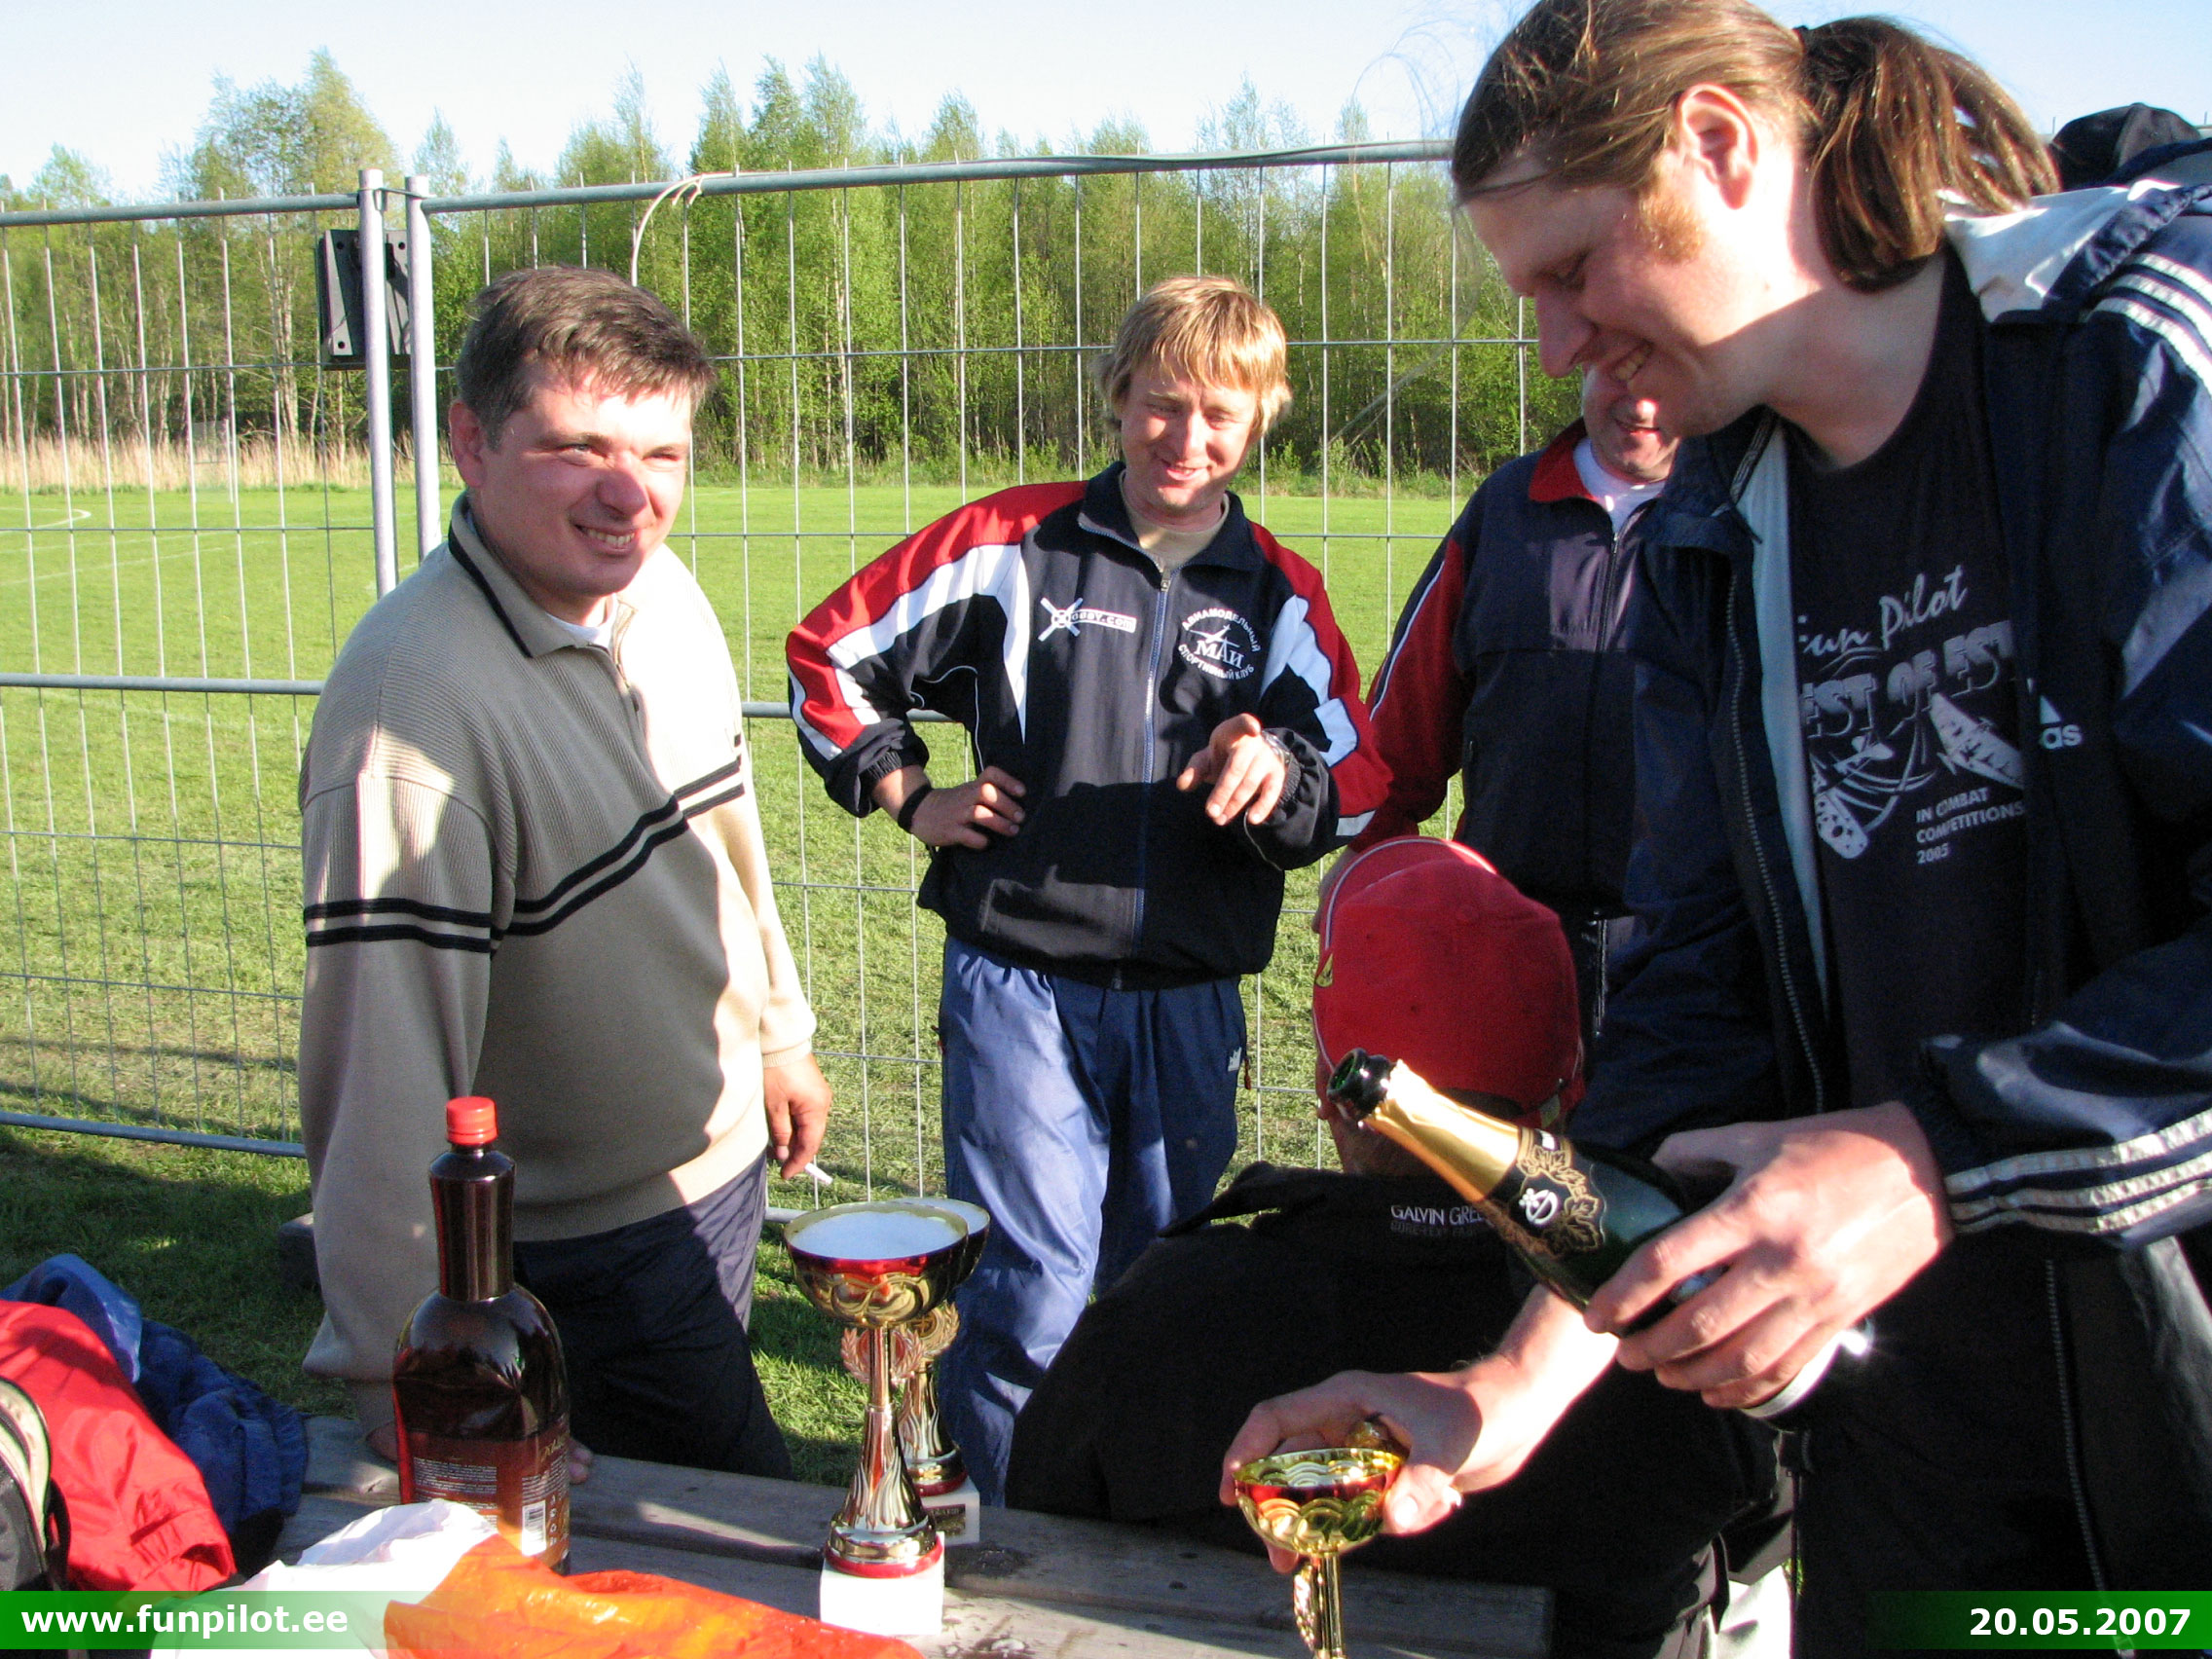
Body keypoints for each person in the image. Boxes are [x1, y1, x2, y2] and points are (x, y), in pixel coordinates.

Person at [1224, 2, 2212, 1648]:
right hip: (1921, 1458)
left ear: (1717, 144)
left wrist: (1928, 1160)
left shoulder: (2135, 365)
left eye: (1571, 270)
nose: (1557, 345)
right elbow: (1697, 1004)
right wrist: (1509, 1390)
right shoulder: (1713, 529)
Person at [787, 275, 1388, 1500]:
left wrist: (1276, 774)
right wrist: (912, 795)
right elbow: (830, 657)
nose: (1186, 438)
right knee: (1031, 1288)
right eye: (1161, 404)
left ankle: (1129, 1538)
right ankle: (1009, 1539)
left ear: (1260, 421)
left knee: (1157, 1288)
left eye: (1220, 415)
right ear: (1116, 396)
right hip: (1019, 978)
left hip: (1188, 994)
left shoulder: (1277, 592)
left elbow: (1361, 779)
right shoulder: (1009, 543)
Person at [299, 266, 828, 1479]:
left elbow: (726, 841)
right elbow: (380, 1071)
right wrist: (408, 1375)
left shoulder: (660, 591)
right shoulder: (408, 714)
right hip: (586, 1245)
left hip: (719, 1162)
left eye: (662, 454)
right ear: (470, 441)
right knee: (729, 1525)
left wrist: (777, 1033)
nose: (629, 494)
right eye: (578, 446)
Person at [1008, 836, 1786, 1659]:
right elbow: (1762, 1543)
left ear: (1327, 1090)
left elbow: (1043, 1510)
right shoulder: (1678, 1338)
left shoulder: (1166, 1314)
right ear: (1573, 1090)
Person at [1351, 364, 1676, 1047]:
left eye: (1665, 370)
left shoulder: (1741, 512)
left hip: (1683, 953)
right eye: (1619, 369)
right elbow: (1404, 723)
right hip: (1503, 933)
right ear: (1584, 359)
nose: (1642, 401)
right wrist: (1369, 873)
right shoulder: (1506, 507)